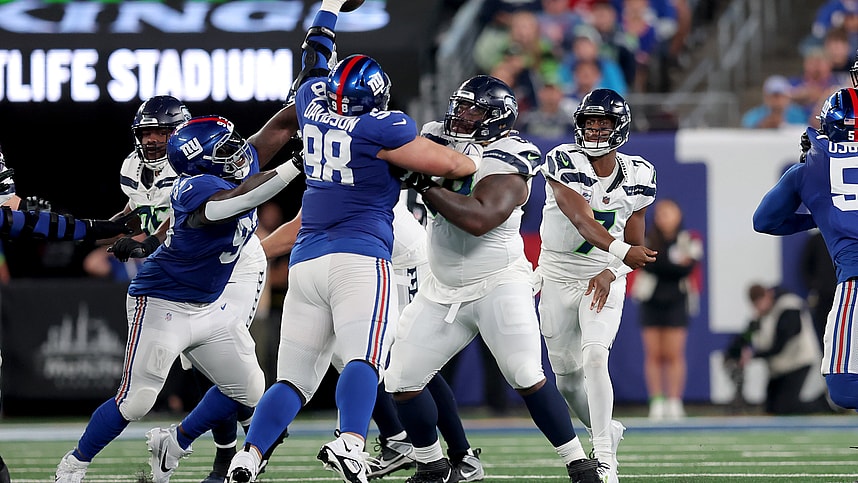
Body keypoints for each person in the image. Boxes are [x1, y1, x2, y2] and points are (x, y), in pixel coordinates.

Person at [226, 1, 481, 481]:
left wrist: (329, 8)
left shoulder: (312, 106)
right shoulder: (383, 127)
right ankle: (352, 441)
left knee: (293, 380)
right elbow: (456, 167)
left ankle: (250, 456)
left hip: (306, 262)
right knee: (365, 359)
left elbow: (314, 57)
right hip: (361, 257)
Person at [54, 115, 305, 483]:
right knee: (137, 400)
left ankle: (176, 442)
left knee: (249, 389)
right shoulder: (196, 189)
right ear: (202, 161)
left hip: (209, 305)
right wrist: (296, 164)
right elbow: (244, 197)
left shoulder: (226, 167)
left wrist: (314, 83)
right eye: (226, 149)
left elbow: (275, 131)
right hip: (161, 303)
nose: (239, 153)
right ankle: (73, 465)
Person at [385, 75, 602, 483]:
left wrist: (423, 182)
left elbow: (480, 219)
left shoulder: (513, 154)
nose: (462, 116)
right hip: (442, 286)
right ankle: (435, 465)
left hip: (498, 282)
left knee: (524, 373)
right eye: (461, 106)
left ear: (497, 119)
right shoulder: (435, 135)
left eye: (474, 110)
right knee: (401, 379)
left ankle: (579, 462)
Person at [260, 195, 484, 481]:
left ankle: (459, 454)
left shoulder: (352, 167)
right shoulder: (331, 166)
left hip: (404, 258)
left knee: (407, 360)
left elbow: (299, 227)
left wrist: (249, 255)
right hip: (373, 254)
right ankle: (396, 439)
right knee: (350, 354)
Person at [536, 88, 657, 483]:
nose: (594, 129)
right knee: (566, 378)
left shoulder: (639, 173)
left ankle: (605, 457)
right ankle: (606, 430)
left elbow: (635, 243)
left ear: (619, 128)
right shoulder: (562, 159)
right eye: (589, 122)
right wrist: (623, 252)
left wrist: (614, 269)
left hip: (601, 274)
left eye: (603, 123)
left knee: (594, 357)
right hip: (556, 273)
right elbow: (582, 222)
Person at [753, 86, 858, 413]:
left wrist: (819, 213)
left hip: (854, 280)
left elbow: (764, 220)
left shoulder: (811, 168)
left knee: (843, 389)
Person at [632, 198, 702, 420]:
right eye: (661, 213)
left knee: (673, 354)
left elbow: (686, 269)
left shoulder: (689, 240)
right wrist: (668, 264)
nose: (665, 218)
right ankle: (657, 401)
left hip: (677, 301)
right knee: (654, 354)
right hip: (651, 300)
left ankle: (674, 400)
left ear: (679, 215)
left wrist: (662, 264)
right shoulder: (647, 238)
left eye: (670, 213)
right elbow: (648, 264)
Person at [735, 284, 832, 415]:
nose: (758, 309)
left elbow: (780, 344)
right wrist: (737, 350)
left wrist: (752, 356)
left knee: (787, 408)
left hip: (797, 362)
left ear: (768, 295)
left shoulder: (789, 307)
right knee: (771, 408)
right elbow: (746, 335)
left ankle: (825, 404)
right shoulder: (759, 315)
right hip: (779, 368)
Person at [740, 75, 808, 129]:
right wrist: (761, 126)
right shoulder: (754, 115)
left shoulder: (797, 114)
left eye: (781, 96)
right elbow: (747, 127)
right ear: (766, 97)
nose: (777, 101)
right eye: (774, 96)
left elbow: (803, 130)